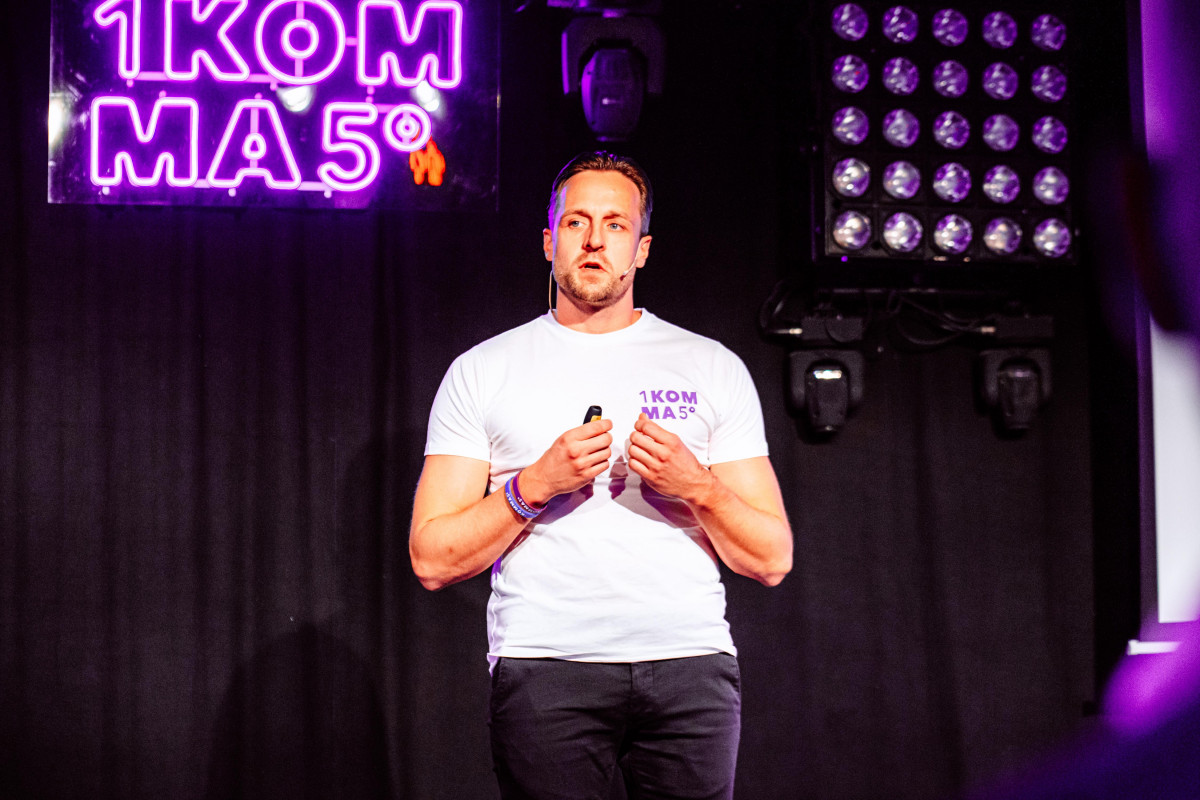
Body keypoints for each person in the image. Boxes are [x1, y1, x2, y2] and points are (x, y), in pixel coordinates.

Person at [409, 151, 793, 800]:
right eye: (576, 222)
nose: (594, 240)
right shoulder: (483, 370)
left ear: (641, 250)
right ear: (548, 241)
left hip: (689, 665)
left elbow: (772, 558)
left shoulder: (711, 366)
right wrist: (533, 486)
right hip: (546, 667)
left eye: (616, 225)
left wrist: (697, 487)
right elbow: (431, 559)